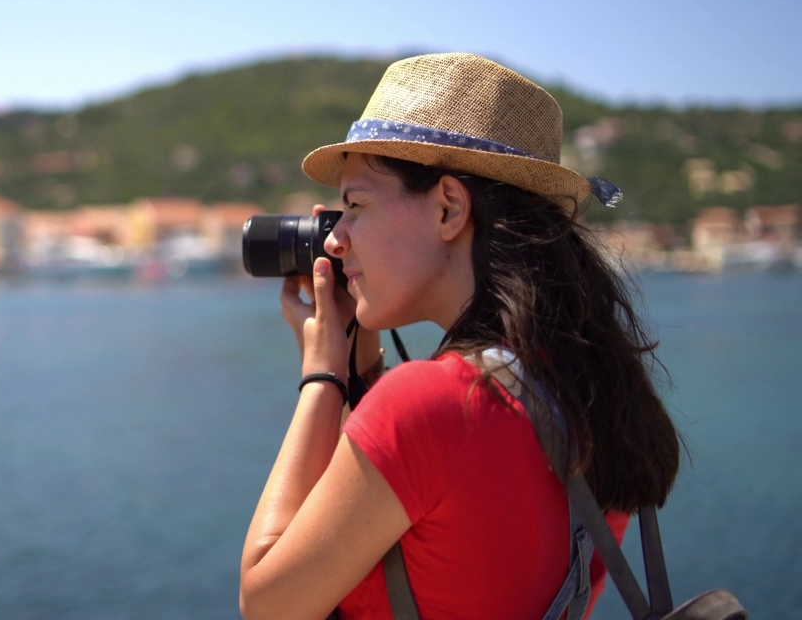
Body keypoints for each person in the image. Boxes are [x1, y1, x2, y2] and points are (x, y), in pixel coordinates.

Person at [239, 53, 681, 620]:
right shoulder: (583, 385)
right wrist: (362, 371)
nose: (334, 239)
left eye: (354, 205)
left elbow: (266, 604)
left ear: (449, 207)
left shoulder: (431, 405)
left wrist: (322, 376)